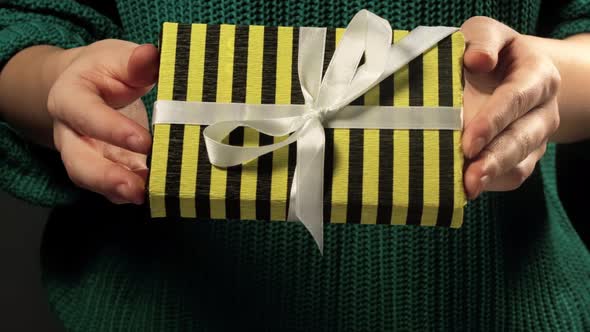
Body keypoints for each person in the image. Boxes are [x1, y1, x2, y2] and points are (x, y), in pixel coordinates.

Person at [0, 0, 589, 330]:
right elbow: (23, 24)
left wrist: (543, 74)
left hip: (496, 311)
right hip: (145, 311)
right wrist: (58, 79)